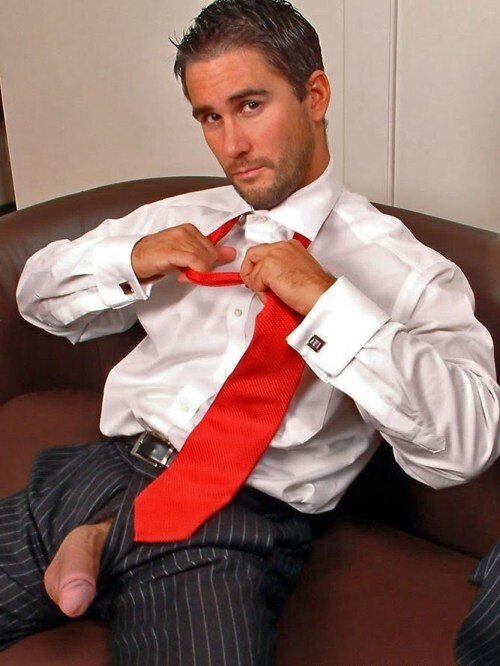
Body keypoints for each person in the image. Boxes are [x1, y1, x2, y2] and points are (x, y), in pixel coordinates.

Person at [1, 0, 499, 663]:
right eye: (210, 117)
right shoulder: (184, 216)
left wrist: (328, 303)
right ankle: (99, 530)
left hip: (232, 526)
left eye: (250, 106)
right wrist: (133, 259)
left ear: (315, 96)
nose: (231, 145)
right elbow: (36, 298)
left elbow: (466, 446)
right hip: (92, 474)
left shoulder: (410, 272)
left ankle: (100, 543)